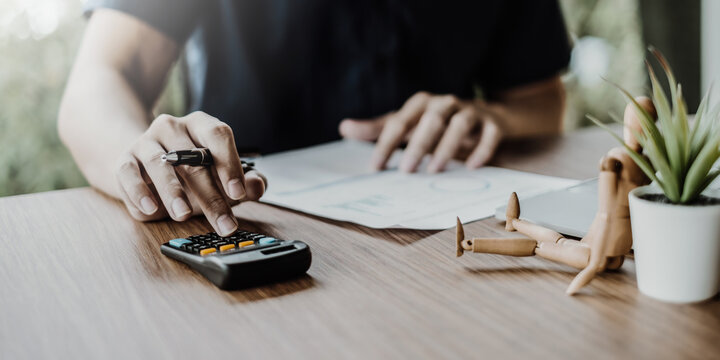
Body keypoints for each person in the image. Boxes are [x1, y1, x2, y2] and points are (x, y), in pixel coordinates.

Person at [58, 0, 571, 236]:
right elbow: (97, 83)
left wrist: (491, 117)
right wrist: (142, 162)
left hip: (442, 235)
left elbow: (543, 99)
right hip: (245, 226)